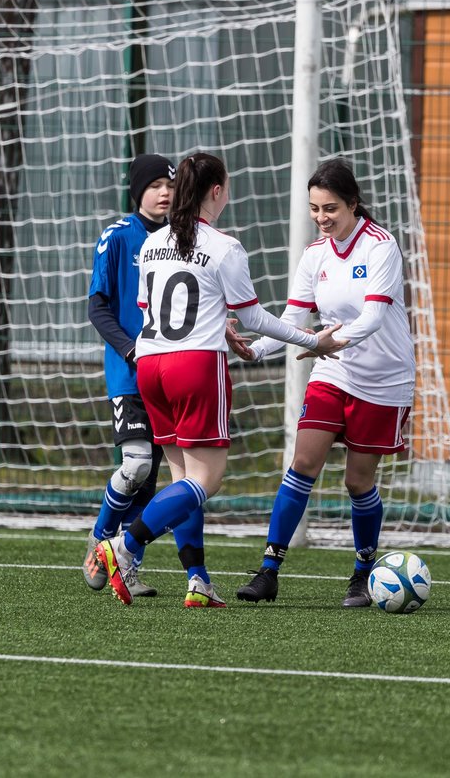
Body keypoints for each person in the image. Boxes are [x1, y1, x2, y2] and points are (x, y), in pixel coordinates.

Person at [93, 152, 347, 608]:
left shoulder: (152, 243)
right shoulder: (224, 246)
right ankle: (124, 546)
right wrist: (312, 341)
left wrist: (216, 322)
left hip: (149, 366)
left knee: (181, 479)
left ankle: (198, 581)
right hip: (194, 367)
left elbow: (157, 310)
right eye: (227, 187)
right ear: (216, 191)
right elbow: (254, 317)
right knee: (205, 482)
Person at [231, 159, 415, 608]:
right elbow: (294, 320)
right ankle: (268, 570)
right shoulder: (315, 254)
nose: (321, 217)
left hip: (385, 377)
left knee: (358, 483)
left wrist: (328, 341)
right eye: (315, 208)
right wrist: (254, 351)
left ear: (353, 203)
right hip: (333, 371)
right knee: (303, 463)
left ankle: (363, 572)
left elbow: (372, 316)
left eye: (330, 207)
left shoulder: (381, 246)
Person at [81, 153, 181, 598]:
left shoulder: (186, 240)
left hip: (171, 374)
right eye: (156, 184)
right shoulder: (118, 237)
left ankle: (128, 564)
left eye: (171, 185)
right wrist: (129, 348)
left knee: (155, 481)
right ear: (138, 190)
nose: (165, 193)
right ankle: (100, 540)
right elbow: (97, 306)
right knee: (136, 465)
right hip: (129, 371)